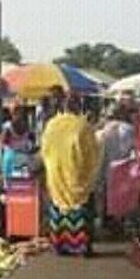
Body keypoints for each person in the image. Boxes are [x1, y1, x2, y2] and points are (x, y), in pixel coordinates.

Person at [39, 93, 101, 256]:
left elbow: (44, 150)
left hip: (57, 175)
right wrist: (92, 174)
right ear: (78, 106)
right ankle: (81, 246)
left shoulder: (51, 125)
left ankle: (60, 245)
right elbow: (93, 153)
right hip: (77, 176)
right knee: (81, 211)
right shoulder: (83, 126)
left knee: (59, 210)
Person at [95, 101, 137, 233]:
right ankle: (121, 223)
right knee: (123, 198)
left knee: (106, 197)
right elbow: (133, 150)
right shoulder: (130, 129)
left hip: (107, 169)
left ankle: (107, 222)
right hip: (124, 170)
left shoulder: (102, 132)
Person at [0, 105, 34, 187]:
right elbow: (31, 141)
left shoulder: (8, 126)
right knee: (23, 181)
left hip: (11, 156)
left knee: (8, 181)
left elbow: (3, 141)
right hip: (23, 156)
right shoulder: (26, 126)